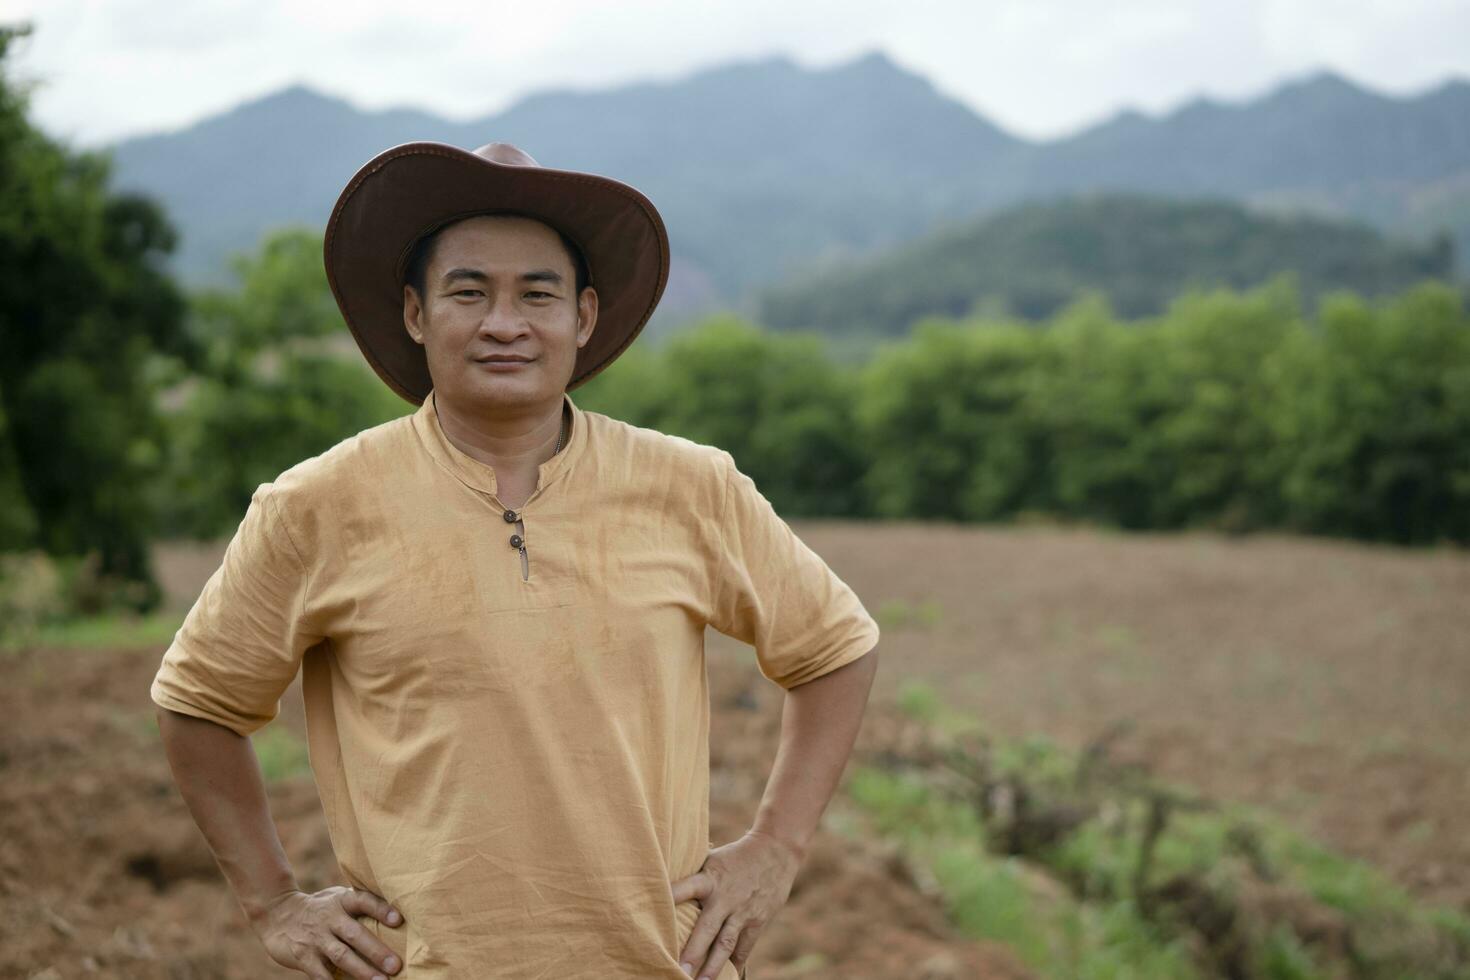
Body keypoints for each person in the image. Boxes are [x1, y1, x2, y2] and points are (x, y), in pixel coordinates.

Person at [150, 140, 881, 980]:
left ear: (584, 317)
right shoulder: (317, 507)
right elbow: (198, 704)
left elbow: (834, 649)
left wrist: (777, 849)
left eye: (538, 293)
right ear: (417, 314)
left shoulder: (689, 488)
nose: (505, 322)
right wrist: (274, 903)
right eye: (469, 292)